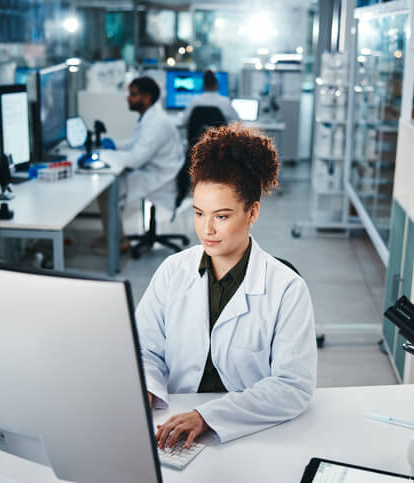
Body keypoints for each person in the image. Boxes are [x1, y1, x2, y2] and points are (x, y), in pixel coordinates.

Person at [135, 123, 317, 449]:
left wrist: (207, 417)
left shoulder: (286, 288)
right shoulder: (172, 271)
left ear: (252, 212)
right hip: (173, 424)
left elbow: (293, 386)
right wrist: (147, 385)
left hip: (249, 431)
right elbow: (145, 348)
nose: (207, 229)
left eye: (221, 216)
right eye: (198, 213)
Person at [95, 76, 185, 253]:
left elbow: (137, 158)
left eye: (133, 94)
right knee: (111, 186)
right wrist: (114, 145)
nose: (128, 98)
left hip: (162, 177)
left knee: (108, 191)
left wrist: (104, 156)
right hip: (156, 170)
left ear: (147, 97)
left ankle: (117, 241)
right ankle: (111, 235)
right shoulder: (150, 117)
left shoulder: (156, 123)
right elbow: (136, 143)